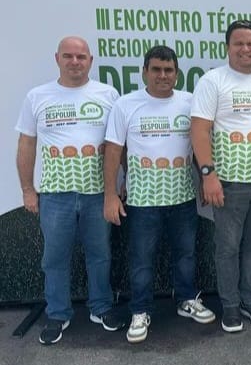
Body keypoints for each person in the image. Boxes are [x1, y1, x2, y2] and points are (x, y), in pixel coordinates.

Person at [15, 36, 124, 345]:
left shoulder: (108, 95)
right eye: (68, 56)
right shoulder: (37, 97)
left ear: (90, 61)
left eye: (81, 56)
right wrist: (27, 189)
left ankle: (101, 308)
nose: (75, 62)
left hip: (97, 193)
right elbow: (26, 144)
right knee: (54, 257)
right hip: (55, 195)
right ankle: (58, 313)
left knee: (100, 254)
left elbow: (119, 143)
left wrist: (124, 181)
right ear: (57, 59)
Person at [103, 46, 215, 343]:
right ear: (144, 72)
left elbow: (198, 145)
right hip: (142, 201)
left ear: (177, 73)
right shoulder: (126, 105)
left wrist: (204, 179)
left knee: (186, 255)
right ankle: (140, 311)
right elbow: (113, 151)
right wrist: (110, 195)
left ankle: (187, 299)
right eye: (156, 69)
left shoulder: (189, 103)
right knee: (141, 259)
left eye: (168, 70)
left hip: (182, 197)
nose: (162, 75)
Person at [190, 20, 251, 332]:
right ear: (227, 47)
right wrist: (208, 175)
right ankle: (230, 305)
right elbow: (199, 130)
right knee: (227, 247)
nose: (245, 49)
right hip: (228, 182)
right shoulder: (213, 81)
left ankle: (250, 299)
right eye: (238, 43)